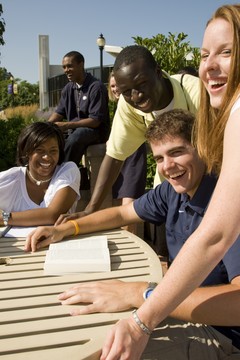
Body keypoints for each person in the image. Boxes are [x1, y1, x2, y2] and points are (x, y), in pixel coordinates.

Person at [25, 109, 240, 358]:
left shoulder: (228, 203)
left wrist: (142, 293)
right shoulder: (174, 191)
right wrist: (65, 228)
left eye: (177, 152)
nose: (168, 167)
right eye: (159, 158)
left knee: (105, 352)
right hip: (177, 309)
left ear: (201, 147)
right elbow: (122, 214)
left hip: (223, 336)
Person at [60, 45, 200, 221]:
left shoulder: (198, 93)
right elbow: (114, 156)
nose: (136, 97)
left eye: (142, 84)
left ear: (158, 72)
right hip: (172, 188)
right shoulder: (129, 106)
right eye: (126, 92)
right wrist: (90, 211)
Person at [0, 121, 80, 227]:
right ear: (27, 152)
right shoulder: (10, 178)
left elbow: (53, 215)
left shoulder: (68, 171)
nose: (47, 157)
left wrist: (4, 218)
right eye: (40, 150)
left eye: (53, 151)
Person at [48, 51, 110, 166]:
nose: (66, 70)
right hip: (75, 130)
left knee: (77, 137)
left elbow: (95, 121)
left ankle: (64, 173)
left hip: (96, 132)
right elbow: (59, 112)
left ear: (81, 65)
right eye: (64, 67)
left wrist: (66, 125)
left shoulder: (96, 87)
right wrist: (45, 127)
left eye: (70, 66)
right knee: (50, 136)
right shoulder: (68, 88)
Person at [108, 71, 147, 234]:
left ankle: (131, 246)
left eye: (117, 85)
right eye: (112, 86)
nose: (115, 89)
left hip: (134, 157)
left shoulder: (134, 103)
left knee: (128, 208)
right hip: (120, 160)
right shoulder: (117, 107)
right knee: (120, 208)